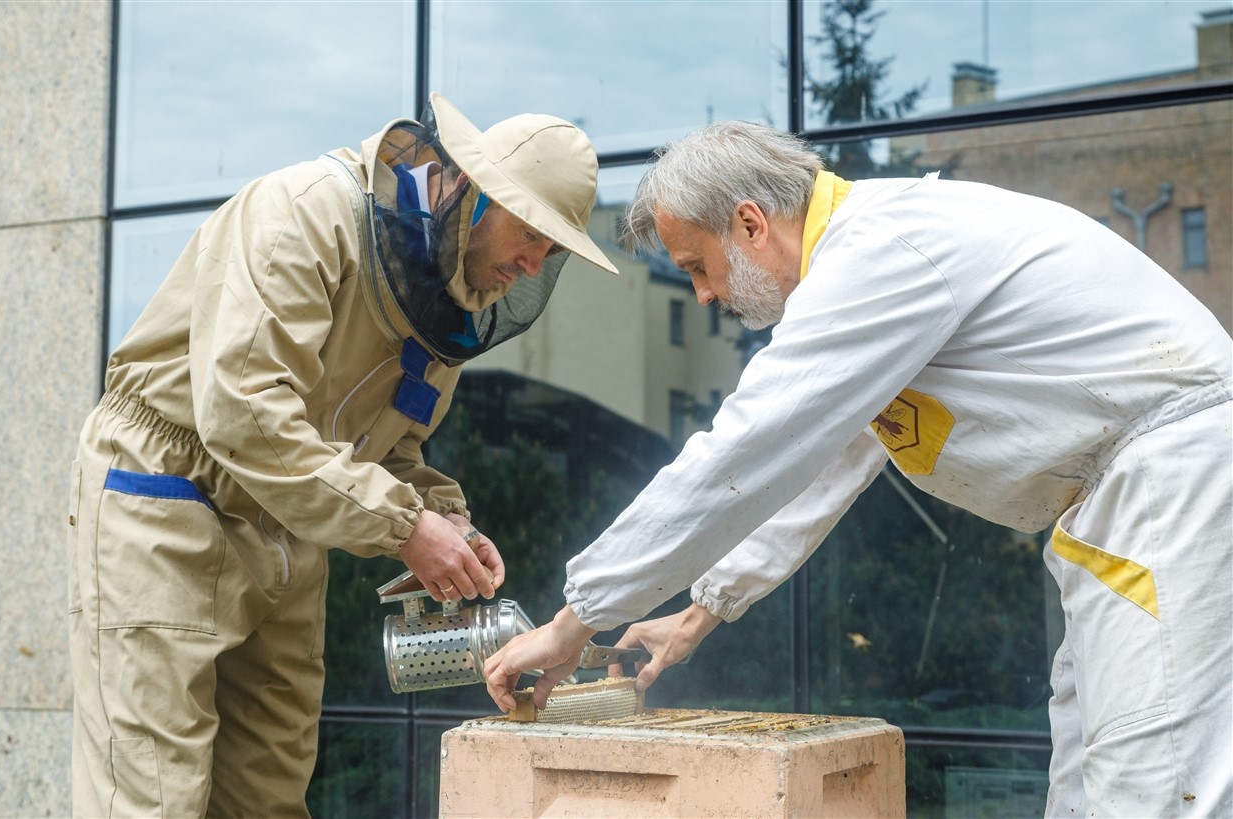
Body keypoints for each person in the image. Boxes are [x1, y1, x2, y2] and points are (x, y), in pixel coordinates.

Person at [483, 120, 1232, 818]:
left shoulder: (881, 251)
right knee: (1091, 778)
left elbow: (740, 454)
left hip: (1170, 486)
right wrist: (700, 608)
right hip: (1131, 505)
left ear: (750, 223)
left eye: (698, 267)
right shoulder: (869, 268)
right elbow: (817, 469)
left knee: (1149, 786)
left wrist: (575, 620)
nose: (703, 294)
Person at [67, 93, 618, 818]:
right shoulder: (302, 213)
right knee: (151, 794)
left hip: (293, 520)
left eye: (551, 250)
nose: (532, 261)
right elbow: (242, 411)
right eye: (530, 232)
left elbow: (390, 447)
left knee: (270, 792)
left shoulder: (448, 299)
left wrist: (442, 517)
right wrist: (404, 527)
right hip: (170, 492)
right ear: (474, 191)